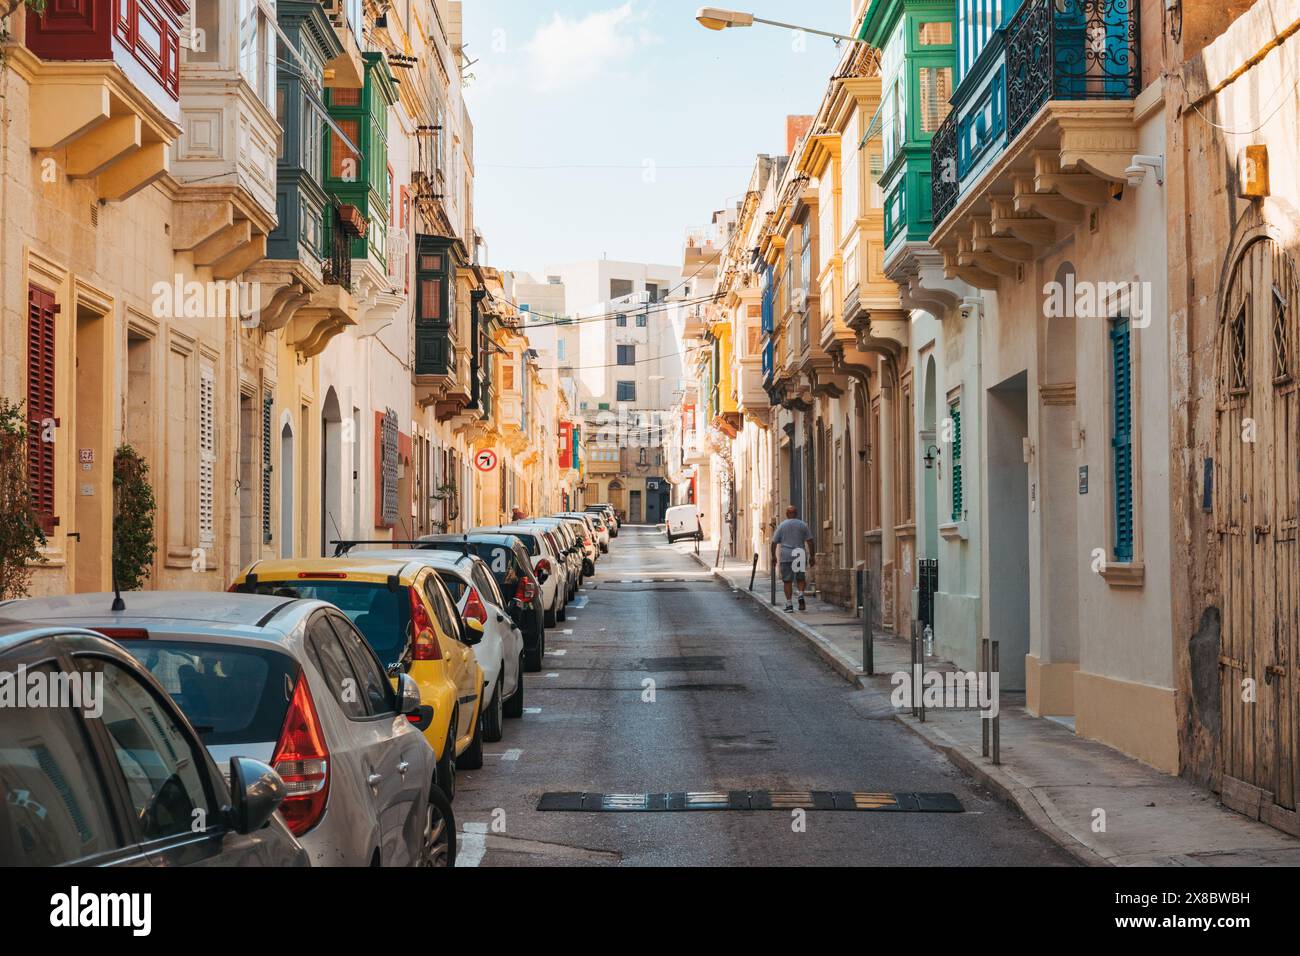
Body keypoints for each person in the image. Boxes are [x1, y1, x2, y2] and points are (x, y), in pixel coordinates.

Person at [770, 505, 814, 612]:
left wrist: (773, 556)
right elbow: (810, 541)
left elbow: (774, 542)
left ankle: (789, 604)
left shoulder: (781, 526)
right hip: (799, 553)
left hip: (786, 554)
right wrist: (812, 556)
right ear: (796, 514)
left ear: (786, 514)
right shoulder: (803, 525)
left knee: (787, 580)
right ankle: (801, 595)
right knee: (800, 578)